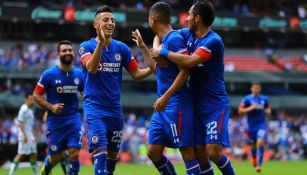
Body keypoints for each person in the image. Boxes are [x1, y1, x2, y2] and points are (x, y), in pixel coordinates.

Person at [151, 0, 236, 175]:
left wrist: (163, 52)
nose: (186, 18)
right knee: (200, 152)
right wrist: (155, 48)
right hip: (196, 103)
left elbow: (190, 62)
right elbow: (162, 34)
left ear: (197, 18)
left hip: (214, 105)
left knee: (212, 152)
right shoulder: (187, 35)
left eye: (189, 14)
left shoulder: (213, 41)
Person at [79, 5, 153, 175]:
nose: (110, 23)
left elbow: (136, 73)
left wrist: (151, 69)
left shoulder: (122, 49)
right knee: (100, 155)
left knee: (112, 159)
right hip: (95, 110)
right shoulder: (86, 46)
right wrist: (100, 43)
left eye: (112, 20)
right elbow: (91, 67)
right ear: (96, 24)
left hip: (115, 111)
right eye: (106, 20)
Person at [132, 2, 200, 175]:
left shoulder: (175, 39)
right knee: (153, 151)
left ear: (153, 19)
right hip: (163, 105)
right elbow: (156, 68)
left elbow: (185, 72)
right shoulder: (163, 42)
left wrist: (166, 97)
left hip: (177, 102)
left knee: (187, 152)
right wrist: (142, 46)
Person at [33, 40, 84, 175]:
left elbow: (86, 93)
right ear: (57, 54)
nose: (67, 52)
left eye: (70, 50)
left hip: (73, 119)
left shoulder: (80, 74)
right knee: (56, 157)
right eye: (64, 50)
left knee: (74, 153)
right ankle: (47, 168)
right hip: (55, 122)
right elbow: (36, 95)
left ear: (73, 53)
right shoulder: (49, 74)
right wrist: (51, 107)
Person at [238, 82, 271, 172]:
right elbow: (240, 111)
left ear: (260, 89)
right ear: (251, 89)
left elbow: (268, 108)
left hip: (261, 125)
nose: (256, 89)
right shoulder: (247, 99)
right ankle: (254, 158)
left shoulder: (264, 99)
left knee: (260, 142)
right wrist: (251, 108)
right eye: (255, 88)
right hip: (251, 126)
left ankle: (259, 166)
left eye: (258, 88)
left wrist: (267, 111)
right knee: (253, 145)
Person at [8, 93, 38, 175]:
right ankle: (10, 173)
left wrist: (32, 136)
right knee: (21, 154)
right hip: (24, 134)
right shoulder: (23, 108)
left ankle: (37, 173)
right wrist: (24, 135)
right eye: (30, 99)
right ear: (26, 99)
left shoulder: (30, 110)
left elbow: (29, 125)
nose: (32, 101)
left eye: (33, 99)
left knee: (33, 154)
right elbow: (20, 123)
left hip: (30, 135)